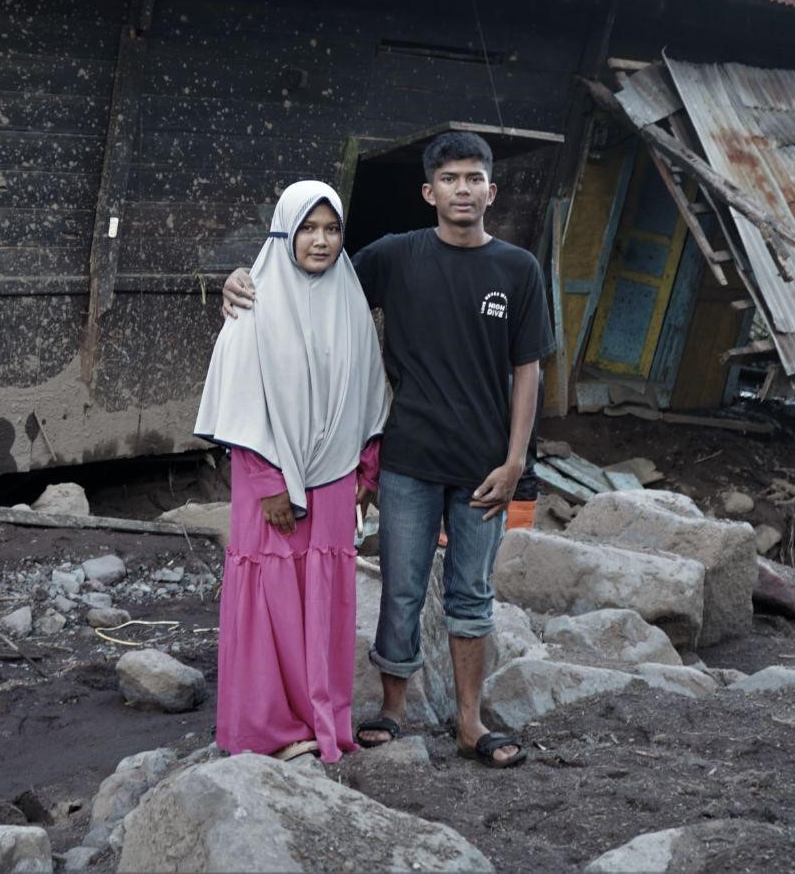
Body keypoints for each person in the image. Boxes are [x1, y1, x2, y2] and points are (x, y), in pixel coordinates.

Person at [223, 132, 553, 770]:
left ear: (492, 189)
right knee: (400, 588)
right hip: (408, 459)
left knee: (472, 592)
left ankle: (468, 721)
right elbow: (306, 273)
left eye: (474, 177)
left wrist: (516, 462)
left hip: (486, 466)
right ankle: (394, 712)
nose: (463, 188)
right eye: (450, 178)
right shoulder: (394, 257)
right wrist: (239, 276)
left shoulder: (518, 269)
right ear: (428, 192)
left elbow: (528, 371)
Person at [195, 180, 389, 763]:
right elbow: (240, 399)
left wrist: (366, 470)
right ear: (284, 232)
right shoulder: (254, 303)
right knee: (270, 599)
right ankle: (265, 729)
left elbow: (366, 389)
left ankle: (318, 721)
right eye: (308, 228)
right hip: (270, 485)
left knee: (322, 599)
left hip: (333, 479)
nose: (322, 241)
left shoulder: (350, 299)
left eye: (331, 229)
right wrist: (267, 482)